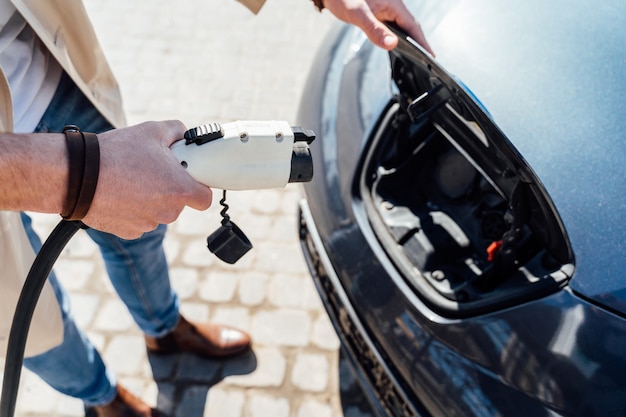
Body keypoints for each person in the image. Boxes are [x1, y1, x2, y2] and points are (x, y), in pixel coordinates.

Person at [0, 0, 433, 416]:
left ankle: (164, 332)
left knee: (142, 232)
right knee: (28, 315)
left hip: (45, 68)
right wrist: (76, 176)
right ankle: (100, 397)